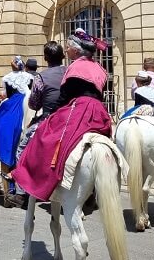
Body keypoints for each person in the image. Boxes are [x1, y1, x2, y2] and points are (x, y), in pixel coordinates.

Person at [12, 30, 112, 202]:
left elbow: (64, 97)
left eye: (68, 47)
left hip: (78, 109)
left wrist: (54, 115)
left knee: (39, 139)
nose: (66, 50)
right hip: (99, 112)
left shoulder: (73, 67)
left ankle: (24, 190)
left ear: (76, 50)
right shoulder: (100, 68)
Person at [0, 57, 32, 207]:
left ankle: (8, 193)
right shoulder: (30, 77)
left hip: (11, 110)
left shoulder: (7, 78)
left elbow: (5, 94)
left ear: (12, 67)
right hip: (28, 108)